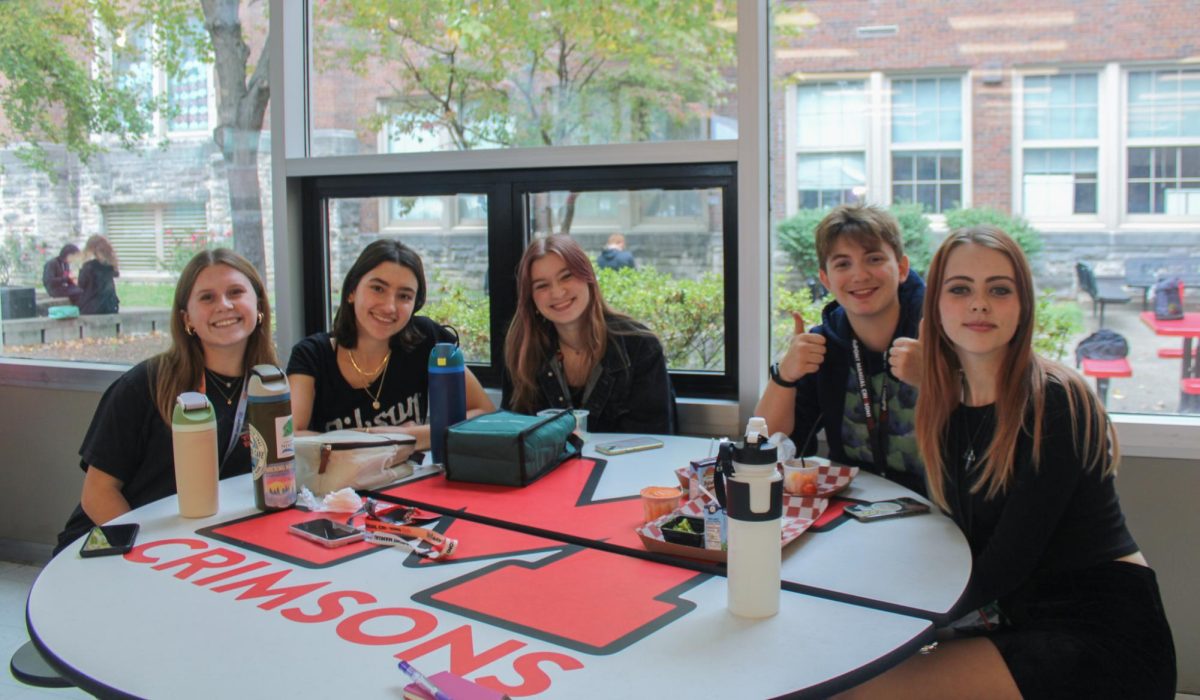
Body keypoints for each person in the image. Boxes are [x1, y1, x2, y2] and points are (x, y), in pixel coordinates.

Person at [838, 226, 1176, 699]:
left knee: (857, 690)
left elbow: (1006, 563)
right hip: (1019, 619)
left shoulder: (1053, 401)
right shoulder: (948, 407)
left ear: (1023, 306)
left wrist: (899, 619)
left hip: (1097, 635)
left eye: (999, 289)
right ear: (936, 305)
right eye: (960, 289)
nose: (979, 304)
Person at [55, 249, 276, 553]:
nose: (224, 305)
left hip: (201, 547)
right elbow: (98, 494)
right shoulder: (145, 383)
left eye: (235, 292)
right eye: (207, 298)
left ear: (259, 305)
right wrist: (154, 555)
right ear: (187, 318)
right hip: (122, 544)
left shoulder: (269, 388)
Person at [754, 204, 926, 494]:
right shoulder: (824, 346)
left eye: (873, 259)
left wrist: (935, 377)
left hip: (941, 517)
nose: (859, 275)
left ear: (902, 268)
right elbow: (764, 446)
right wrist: (785, 375)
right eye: (843, 264)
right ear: (825, 279)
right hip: (851, 508)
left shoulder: (937, 333)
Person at [287, 239, 494, 448]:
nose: (389, 307)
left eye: (404, 296)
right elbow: (288, 438)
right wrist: (373, 436)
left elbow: (485, 414)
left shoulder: (426, 339)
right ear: (351, 291)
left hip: (412, 475)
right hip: (336, 479)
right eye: (378, 288)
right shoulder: (311, 355)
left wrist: (413, 435)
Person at [502, 234, 676, 434]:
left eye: (566, 276)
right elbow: (514, 435)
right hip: (549, 467)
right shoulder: (523, 349)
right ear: (531, 299)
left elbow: (654, 439)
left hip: (627, 465)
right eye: (542, 285)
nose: (557, 293)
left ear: (588, 277)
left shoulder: (639, 345)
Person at [77, 234, 120, 315]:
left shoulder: (89, 266)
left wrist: (81, 266)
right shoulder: (109, 266)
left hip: (92, 308)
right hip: (111, 307)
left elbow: (81, 284)